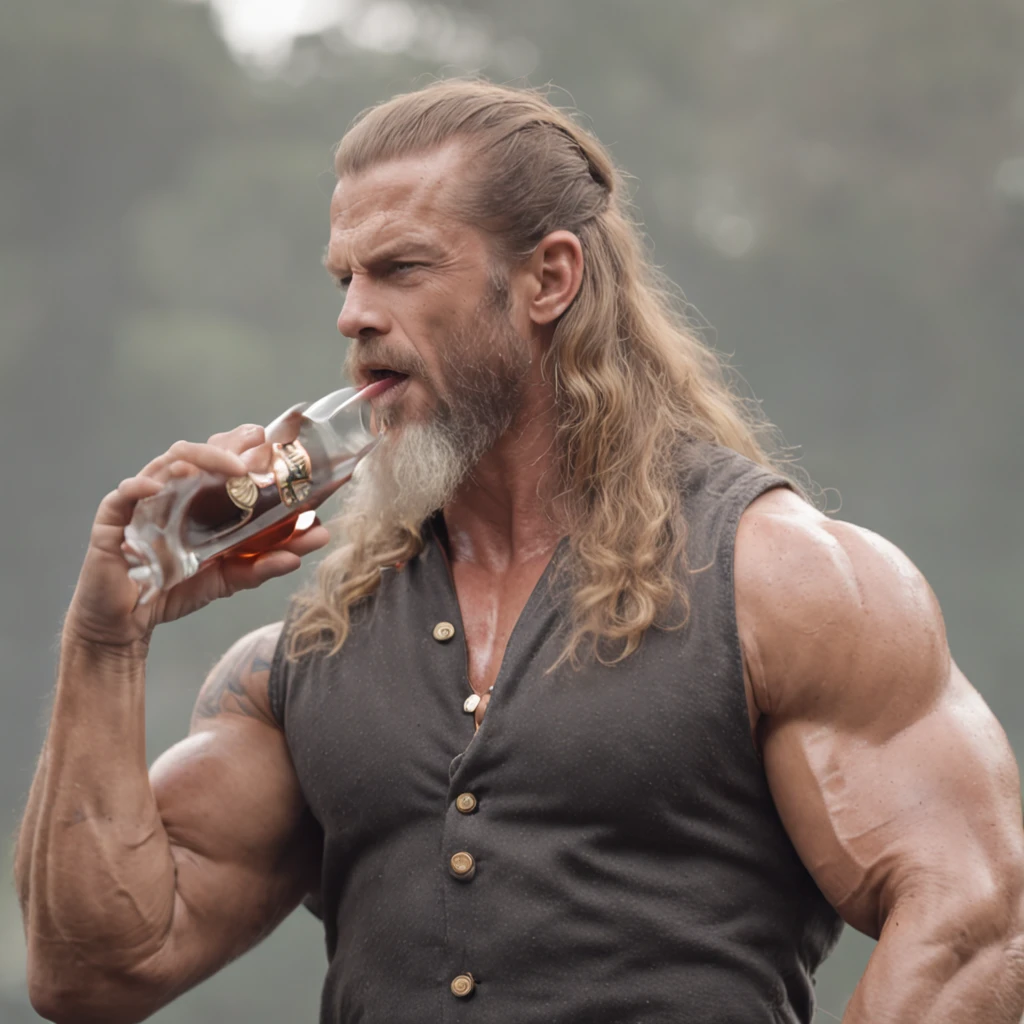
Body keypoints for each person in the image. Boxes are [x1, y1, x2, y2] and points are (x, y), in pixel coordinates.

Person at [15, 79, 1024, 1024]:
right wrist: (110, 634)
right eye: (346, 277)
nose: (353, 313)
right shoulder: (308, 656)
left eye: (401, 268)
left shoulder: (779, 580)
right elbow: (94, 967)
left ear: (547, 277)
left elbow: (975, 920)